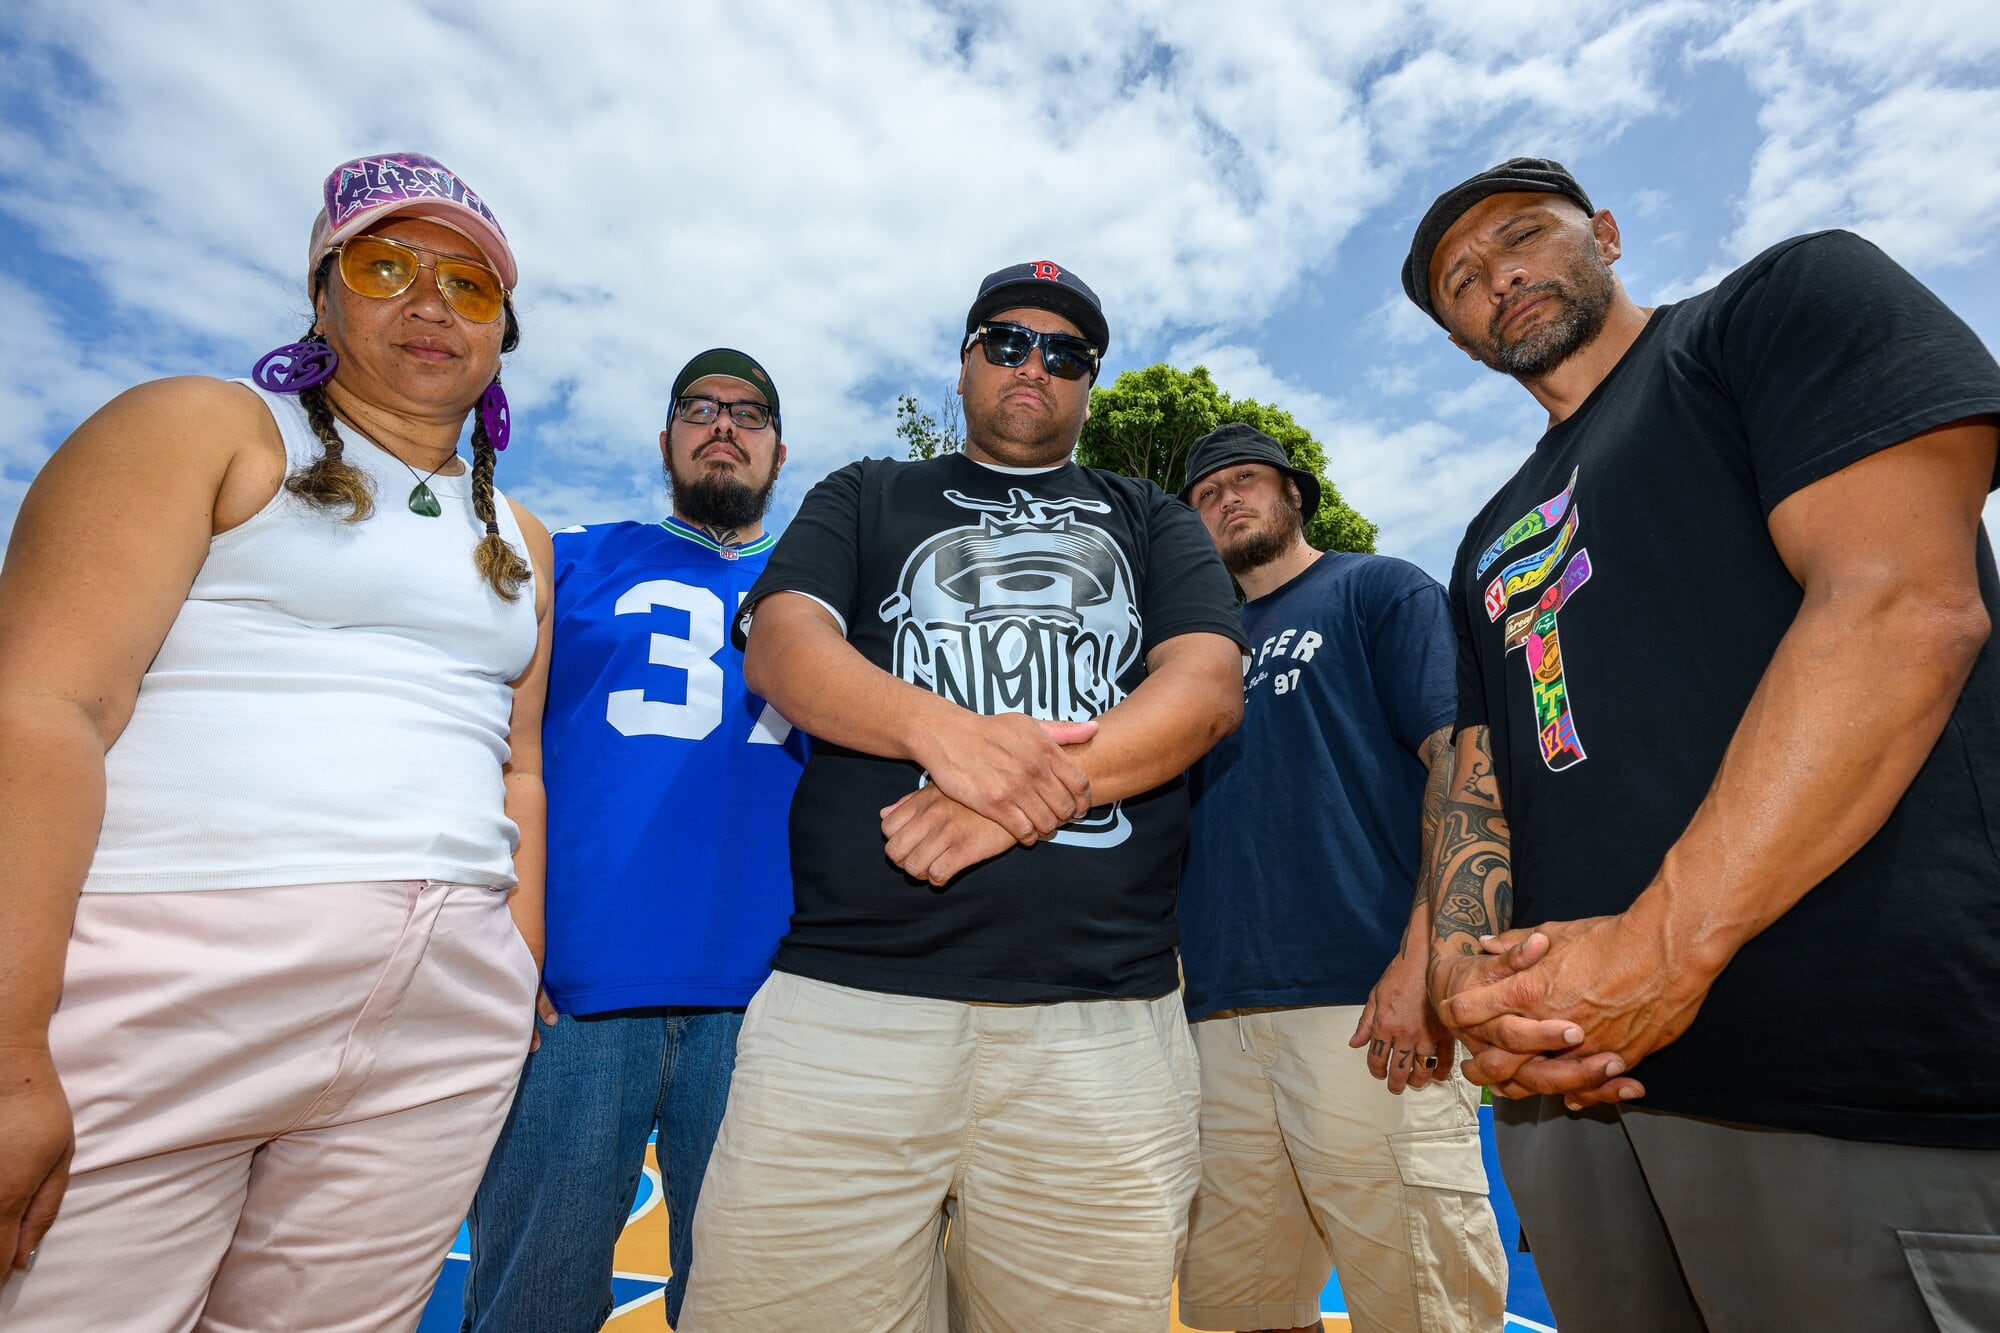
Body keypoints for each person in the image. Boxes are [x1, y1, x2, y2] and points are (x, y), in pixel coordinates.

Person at [1402, 156, 2000, 1328]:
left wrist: (1659, 951)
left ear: (1607, 232)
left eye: (1522, 235)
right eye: (1461, 281)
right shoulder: (1482, 538)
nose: (1497, 276)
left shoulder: (1780, 305)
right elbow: (1475, 765)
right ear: (1461, 339)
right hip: (1570, 1099)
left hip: (1849, 1077)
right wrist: (1464, 980)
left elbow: (1898, 607)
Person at [0, 150, 550, 1331]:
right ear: (322, 293)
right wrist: (7, 1053)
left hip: (448, 1006)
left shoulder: (523, 536)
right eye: (386, 264)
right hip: (169, 967)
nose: (427, 302)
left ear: (504, 333)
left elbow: (517, 766)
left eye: (470, 284)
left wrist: (514, 960)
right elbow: (45, 704)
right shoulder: (203, 426)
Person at [677, 261, 1247, 1331]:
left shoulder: (1149, 514)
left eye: (1065, 353)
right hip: (849, 1010)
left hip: (1103, 1025)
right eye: (1007, 341)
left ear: (1086, 383)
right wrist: (947, 735)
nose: (1034, 364)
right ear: (965, 360)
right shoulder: (865, 492)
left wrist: (1013, 794)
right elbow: (784, 648)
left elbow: (1206, 689)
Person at [460, 348, 807, 1332]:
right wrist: (500, 932)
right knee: (532, 1298)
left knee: (742, 1307)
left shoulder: (822, 592)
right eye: (699, 407)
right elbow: (488, 746)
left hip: (766, 1001)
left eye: (749, 412)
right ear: (665, 439)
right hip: (574, 991)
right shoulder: (565, 557)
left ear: (780, 450)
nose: (724, 424)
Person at [1174, 423, 1506, 1333]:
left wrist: (1428, 959)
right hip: (1215, 1024)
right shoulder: (1189, 655)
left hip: (1366, 1009)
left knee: (1425, 1310)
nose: (1228, 499)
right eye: (1207, 494)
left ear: (1294, 495)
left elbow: (1465, 763)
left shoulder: (1376, 588)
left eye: (1247, 480)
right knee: (1250, 1308)